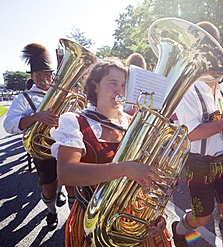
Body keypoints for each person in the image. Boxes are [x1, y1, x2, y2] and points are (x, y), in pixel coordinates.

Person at [50, 58, 171, 247]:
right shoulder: (75, 121)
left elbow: (148, 174)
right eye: (112, 83)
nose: (119, 91)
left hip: (137, 215)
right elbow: (66, 174)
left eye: (124, 85)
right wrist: (123, 169)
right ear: (95, 85)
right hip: (95, 214)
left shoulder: (135, 123)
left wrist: (157, 212)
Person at [171, 21, 223, 247]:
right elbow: (192, 134)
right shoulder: (187, 89)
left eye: (214, 48)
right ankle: (178, 229)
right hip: (199, 163)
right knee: (202, 216)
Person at [3, 43, 67, 229]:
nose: (44, 79)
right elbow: (8, 125)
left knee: (66, 177)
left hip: (63, 145)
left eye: (47, 75)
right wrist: (35, 116)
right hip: (42, 151)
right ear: (32, 76)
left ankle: (60, 192)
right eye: (39, 75)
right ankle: (51, 211)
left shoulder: (60, 95)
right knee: (48, 186)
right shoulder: (22, 98)